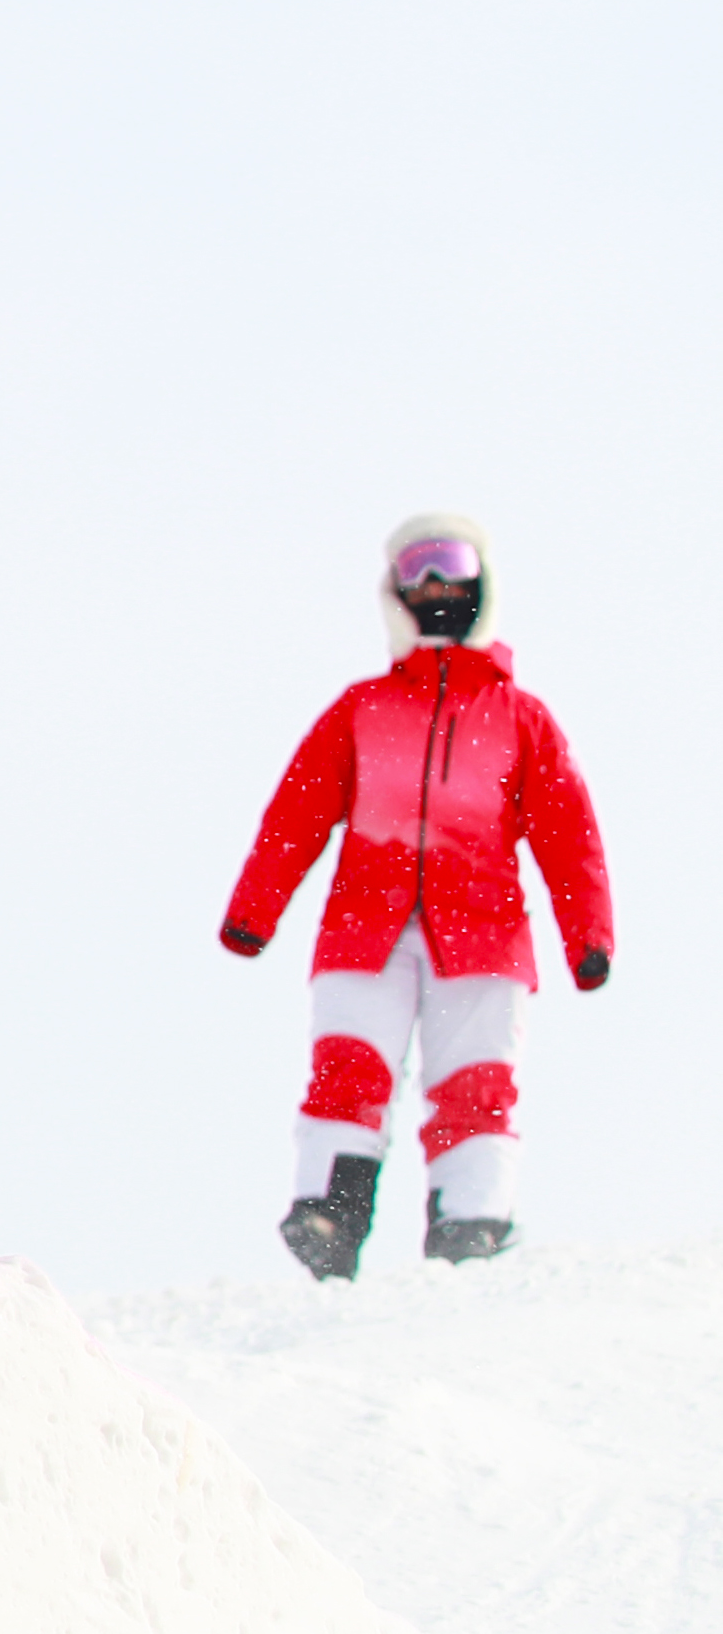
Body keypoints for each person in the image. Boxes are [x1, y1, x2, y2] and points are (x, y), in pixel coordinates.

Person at [220, 515, 613, 1277]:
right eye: (415, 569)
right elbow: (294, 816)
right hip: (364, 930)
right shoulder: (361, 710)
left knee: (475, 1082)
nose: (433, 584)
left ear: (479, 584)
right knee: (348, 1070)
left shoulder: (518, 717)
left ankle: (471, 1219)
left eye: (449, 564)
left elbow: (570, 837)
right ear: (393, 591)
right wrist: (252, 913)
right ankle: (328, 1214)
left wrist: (587, 938)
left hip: (482, 936)